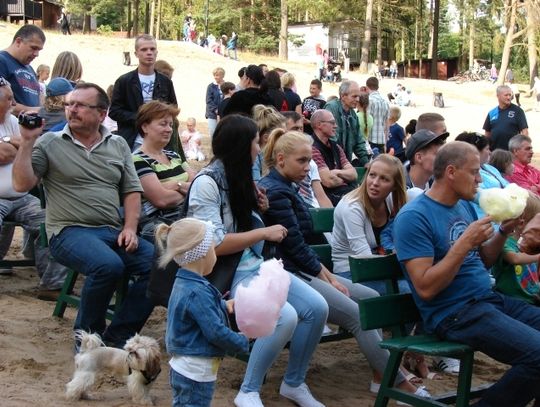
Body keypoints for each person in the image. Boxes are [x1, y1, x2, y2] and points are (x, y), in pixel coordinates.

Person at [259, 128, 430, 400]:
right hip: (289, 275)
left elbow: (299, 247)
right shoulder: (278, 192)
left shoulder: (285, 188)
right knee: (358, 316)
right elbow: (295, 249)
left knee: (372, 297)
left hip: (302, 270)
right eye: (303, 161)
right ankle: (394, 380)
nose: (309, 168)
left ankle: (379, 374)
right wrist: (329, 277)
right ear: (280, 160)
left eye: (309, 161)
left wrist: (327, 277)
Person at [186, 114, 329, 407]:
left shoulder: (241, 178)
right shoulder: (207, 183)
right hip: (223, 273)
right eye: (254, 141)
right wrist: (263, 229)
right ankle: (248, 390)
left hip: (253, 263)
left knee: (317, 307)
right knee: (282, 316)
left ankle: (294, 383)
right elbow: (213, 244)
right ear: (241, 146)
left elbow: (246, 226)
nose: (258, 147)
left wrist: (258, 209)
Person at [394, 140, 540, 407]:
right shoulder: (414, 217)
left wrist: (504, 231)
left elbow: (482, 260)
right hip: (453, 313)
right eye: (474, 172)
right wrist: (463, 244)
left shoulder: (465, 206)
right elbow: (426, 288)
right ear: (451, 172)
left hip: (486, 300)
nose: (480, 179)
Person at [13, 82, 155, 348]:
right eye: (69, 104)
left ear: (102, 114)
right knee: (108, 266)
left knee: (160, 266)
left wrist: (130, 228)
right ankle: (87, 342)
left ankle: (117, 337)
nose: (72, 110)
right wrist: (27, 143)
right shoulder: (49, 142)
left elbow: (132, 191)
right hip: (69, 231)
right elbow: (22, 184)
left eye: (80, 105)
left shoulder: (118, 145)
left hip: (112, 230)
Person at [159, 218, 249, 407]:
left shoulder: (184, 282)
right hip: (195, 372)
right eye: (212, 248)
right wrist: (242, 340)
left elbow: (196, 313)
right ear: (202, 254)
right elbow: (215, 331)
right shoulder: (197, 291)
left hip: (185, 367)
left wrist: (224, 306)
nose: (215, 254)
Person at [0, 77, 67, 298]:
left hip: (21, 197)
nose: (14, 102)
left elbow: (33, 145)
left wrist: (10, 141)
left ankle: (52, 284)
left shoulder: (11, 120)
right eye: (9, 98)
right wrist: (18, 144)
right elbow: (5, 154)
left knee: (53, 222)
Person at [332, 154, 408, 286]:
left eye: (384, 179)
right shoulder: (352, 207)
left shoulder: (391, 200)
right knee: (407, 290)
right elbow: (366, 259)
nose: (375, 183)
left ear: (395, 186)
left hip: (381, 264)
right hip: (351, 271)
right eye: (372, 175)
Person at [133, 101, 195, 241]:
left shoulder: (174, 155)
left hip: (186, 219)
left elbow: (198, 185)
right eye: (163, 124)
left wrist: (175, 185)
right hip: (159, 226)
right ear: (145, 127)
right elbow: (161, 200)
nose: (169, 129)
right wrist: (188, 190)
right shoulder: (137, 160)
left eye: (171, 125)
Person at [110, 34, 179, 153]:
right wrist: (141, 117)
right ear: (136, 53)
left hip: (160, 142)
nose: (149, 53)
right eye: (144, 49)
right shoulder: (124, 81)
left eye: (152, 49)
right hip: (132, 140)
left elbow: (173, 109)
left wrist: (160, 120)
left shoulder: (165, 82)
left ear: (157, 52)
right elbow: (114, 111)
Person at [493, 194, 540, 297]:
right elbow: (515, 258)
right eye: (536, 223)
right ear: (521, 223)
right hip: (512, 298)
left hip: (531, 295)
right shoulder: (504, 241)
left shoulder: (528, 244)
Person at [310, 110, 358, 206]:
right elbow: (328, 181)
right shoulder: (311, 148)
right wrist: (345, 178)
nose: (335, 126)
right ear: (319, 125)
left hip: (344, 194)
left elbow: (354, 174)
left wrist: (337, 172)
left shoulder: (336, 146)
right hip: (331, 198)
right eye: (332, 122)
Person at [0, 24, 45, 115]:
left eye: (39, 50)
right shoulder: (2, 61)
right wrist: (32, 110)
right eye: (33, 48)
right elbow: (2, 102)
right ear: (18, 42)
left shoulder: (30, 68)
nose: (36, 54)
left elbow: (39, 97)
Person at [324, 80, 369, 167]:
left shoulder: (353, 115)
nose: (358, 99)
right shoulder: (331, 108)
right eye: (354, 96)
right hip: (331, 163)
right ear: (343, 96)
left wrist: (366, 162)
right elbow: (332, 138)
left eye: (358, 96)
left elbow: (358, 140)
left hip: (344, 163)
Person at [483, 85, 528, 151]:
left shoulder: (518, 111)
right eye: (506, 95)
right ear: (498, 96)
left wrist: (523, 148)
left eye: (510, 95)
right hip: (494, 152)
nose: (509, 97)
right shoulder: (491, 113)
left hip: (511, 152)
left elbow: (525, 132)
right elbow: (487, 133)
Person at [251, 105, 286, 182]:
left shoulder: (279, 156)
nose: (286, 139)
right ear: (266, 138)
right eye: (280, 135)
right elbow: (257, 187)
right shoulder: (255, 159)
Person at [366, 76, 390, 154]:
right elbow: (387, 124)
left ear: (367, 87)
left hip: (370, 139)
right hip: (381, 140)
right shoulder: (385, 102)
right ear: (378, 87)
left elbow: (366, 121)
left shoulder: (369, 101)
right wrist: (385, 143)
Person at [205, 67, 225, 137]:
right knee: (213, 133)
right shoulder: (210, 86)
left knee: (222, 134)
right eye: (214, 75)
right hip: (212, 114)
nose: (215, 77)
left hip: (223, 114)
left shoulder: (226, 85)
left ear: (222, 76)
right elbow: (208, 100)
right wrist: (216, 110)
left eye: (217, 75)